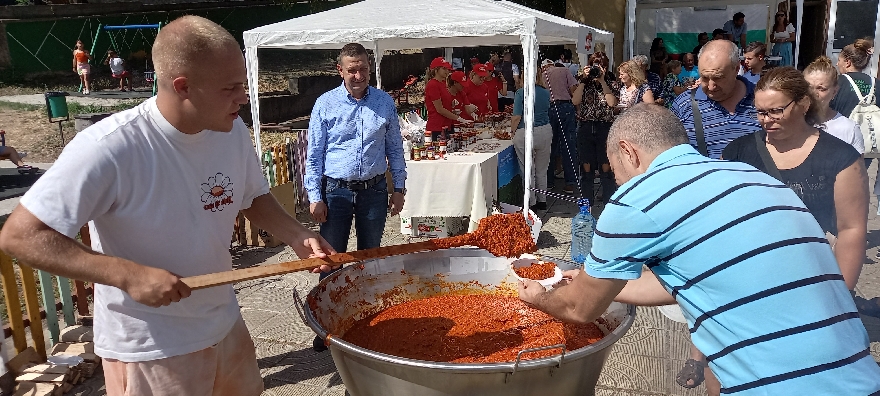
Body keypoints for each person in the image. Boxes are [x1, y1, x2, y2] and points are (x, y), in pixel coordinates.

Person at [0, 16, 338, 395]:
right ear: (183, 87)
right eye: (231, 88)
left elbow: (251, 196)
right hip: (150, 347)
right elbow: (20, 236)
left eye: (242, 84)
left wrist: (296, 233)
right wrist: (127, 275)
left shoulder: (230, 131)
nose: (243, 97)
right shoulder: (111, 148)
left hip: (224, 324)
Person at [518, 102, 880, 396]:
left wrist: (538, 296)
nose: (618, 182)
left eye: (616, 171)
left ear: (628, 152)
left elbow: (579, 308)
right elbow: (701, 277)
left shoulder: (636, 199)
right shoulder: (756, 178)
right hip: (860, 375)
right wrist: (594, 279)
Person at [306, 43, 408, 351]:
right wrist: (315, 195)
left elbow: (394, 148)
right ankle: (327, 323)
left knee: (369, 258)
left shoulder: (384, 102)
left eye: (363, 68)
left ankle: (366, 320)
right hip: (335, 192)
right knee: (330, 260)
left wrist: (399, 188)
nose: (358, 75)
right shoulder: (325, 104)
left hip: (374, 192)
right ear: (340, 70)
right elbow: (315, 154)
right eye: (352, 69)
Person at [670, 40, 761, 159]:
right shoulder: (683, 105)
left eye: (718, 78)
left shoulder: (762, 101)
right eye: (705, 78)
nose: (711, 86)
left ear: (736, 69)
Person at [572, 51, 619, 203]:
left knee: (606, 169)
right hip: (586, 127)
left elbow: (612, 103)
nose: (598, 69)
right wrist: (584, 80)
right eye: (595, 66)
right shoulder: (584, 81)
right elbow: (575, 101)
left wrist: (603, 80)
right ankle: (586, 205)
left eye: (601, 66)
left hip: (604, 127)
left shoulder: (611, 81)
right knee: (586, 169)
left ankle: (608, 204)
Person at [510, 68, 552, 211]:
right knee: (542, 169)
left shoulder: (521, 92)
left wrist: (512, 131)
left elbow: (516, 117)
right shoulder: (545, 92)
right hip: (544, 130)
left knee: (527, 169)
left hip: (525, 131)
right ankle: (542, 200)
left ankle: (531, 201)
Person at [804, 56, 865, 153]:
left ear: (834, 91)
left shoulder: (849, 129)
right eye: (808, 87)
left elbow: (858, 167)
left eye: (821, 88)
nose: (813, 94)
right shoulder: (791, 122)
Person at [542, 58, 580, 195]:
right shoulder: (564, 70)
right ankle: (570, 183)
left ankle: (549, 182)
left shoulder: (542, 75)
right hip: (565, 106)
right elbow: (574, 89)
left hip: (549, 108)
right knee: (568, 145)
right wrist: (578, 109)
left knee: (550, 146)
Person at [423, 57, 468, 138]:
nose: (447, 71)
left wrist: (452, 105)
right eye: (444, 69)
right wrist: (459, 118)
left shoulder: (443, 83)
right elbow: (439, 109)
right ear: (436, 70)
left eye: (448, 69)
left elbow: (444, 104)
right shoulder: (433, 84)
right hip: (437, 127)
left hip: (447, 125)